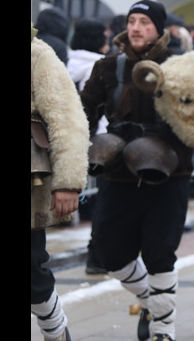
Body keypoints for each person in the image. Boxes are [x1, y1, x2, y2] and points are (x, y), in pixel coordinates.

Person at [80, 0, 194, 341]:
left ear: (159, 30)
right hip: (118, 173)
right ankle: (152, 301)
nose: (135, 27)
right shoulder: (107, 66)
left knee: (160, 251)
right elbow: (82, 111)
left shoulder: (181, 66)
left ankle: (164, 330)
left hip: (170, 174)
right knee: (109, 252)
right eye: (131, 20)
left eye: (144, 21)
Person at [32, 26, 90, 341]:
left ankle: (56, 332)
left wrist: (68, 181)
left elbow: (66, 118)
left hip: (31, 186)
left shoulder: (38, 54)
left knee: (32, 275)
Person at [65, 17, 111, 274]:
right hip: (101, 141)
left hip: (69, 139)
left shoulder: (64, 61)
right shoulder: (99, 65)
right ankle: (97, 255)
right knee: (105, 199)